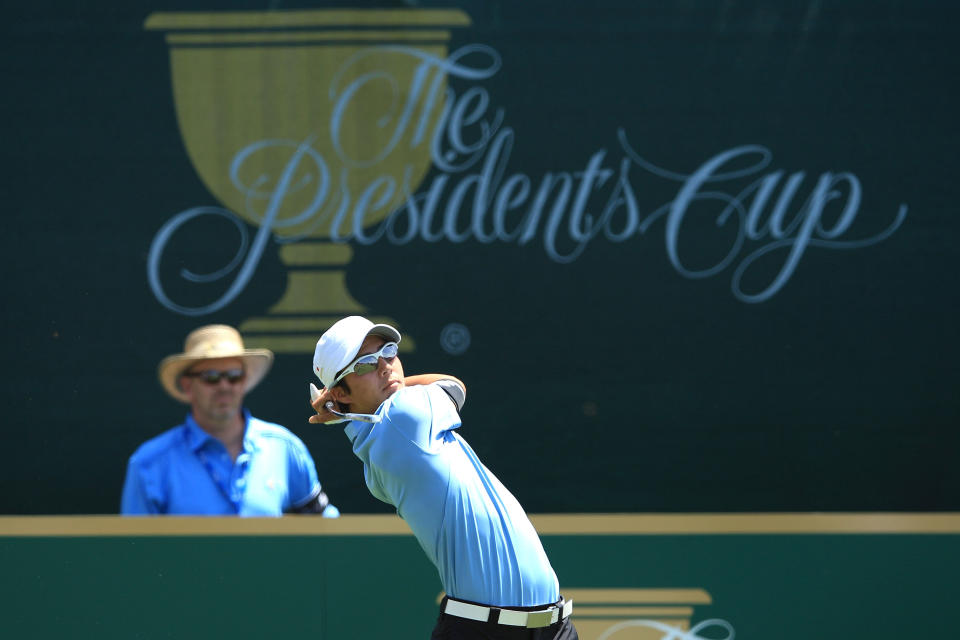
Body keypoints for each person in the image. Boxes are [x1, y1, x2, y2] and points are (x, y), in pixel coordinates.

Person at [309, 315, 577, 639]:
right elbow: (453, 384)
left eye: (389, 351)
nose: (385, 366)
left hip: (550, 627)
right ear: (341, 393)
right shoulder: (403, 418)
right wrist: (354, 400)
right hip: (485, 631)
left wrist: (342, 405)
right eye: (366, 364)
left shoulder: (381, 438)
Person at [122, 324, 338, 517]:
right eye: (211, 377)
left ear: (244, 381)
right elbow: (134, 553)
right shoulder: (149, 463)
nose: (224, 386)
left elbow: (323, 532)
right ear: (188, 385)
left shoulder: (284, 447)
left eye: (234, 375)